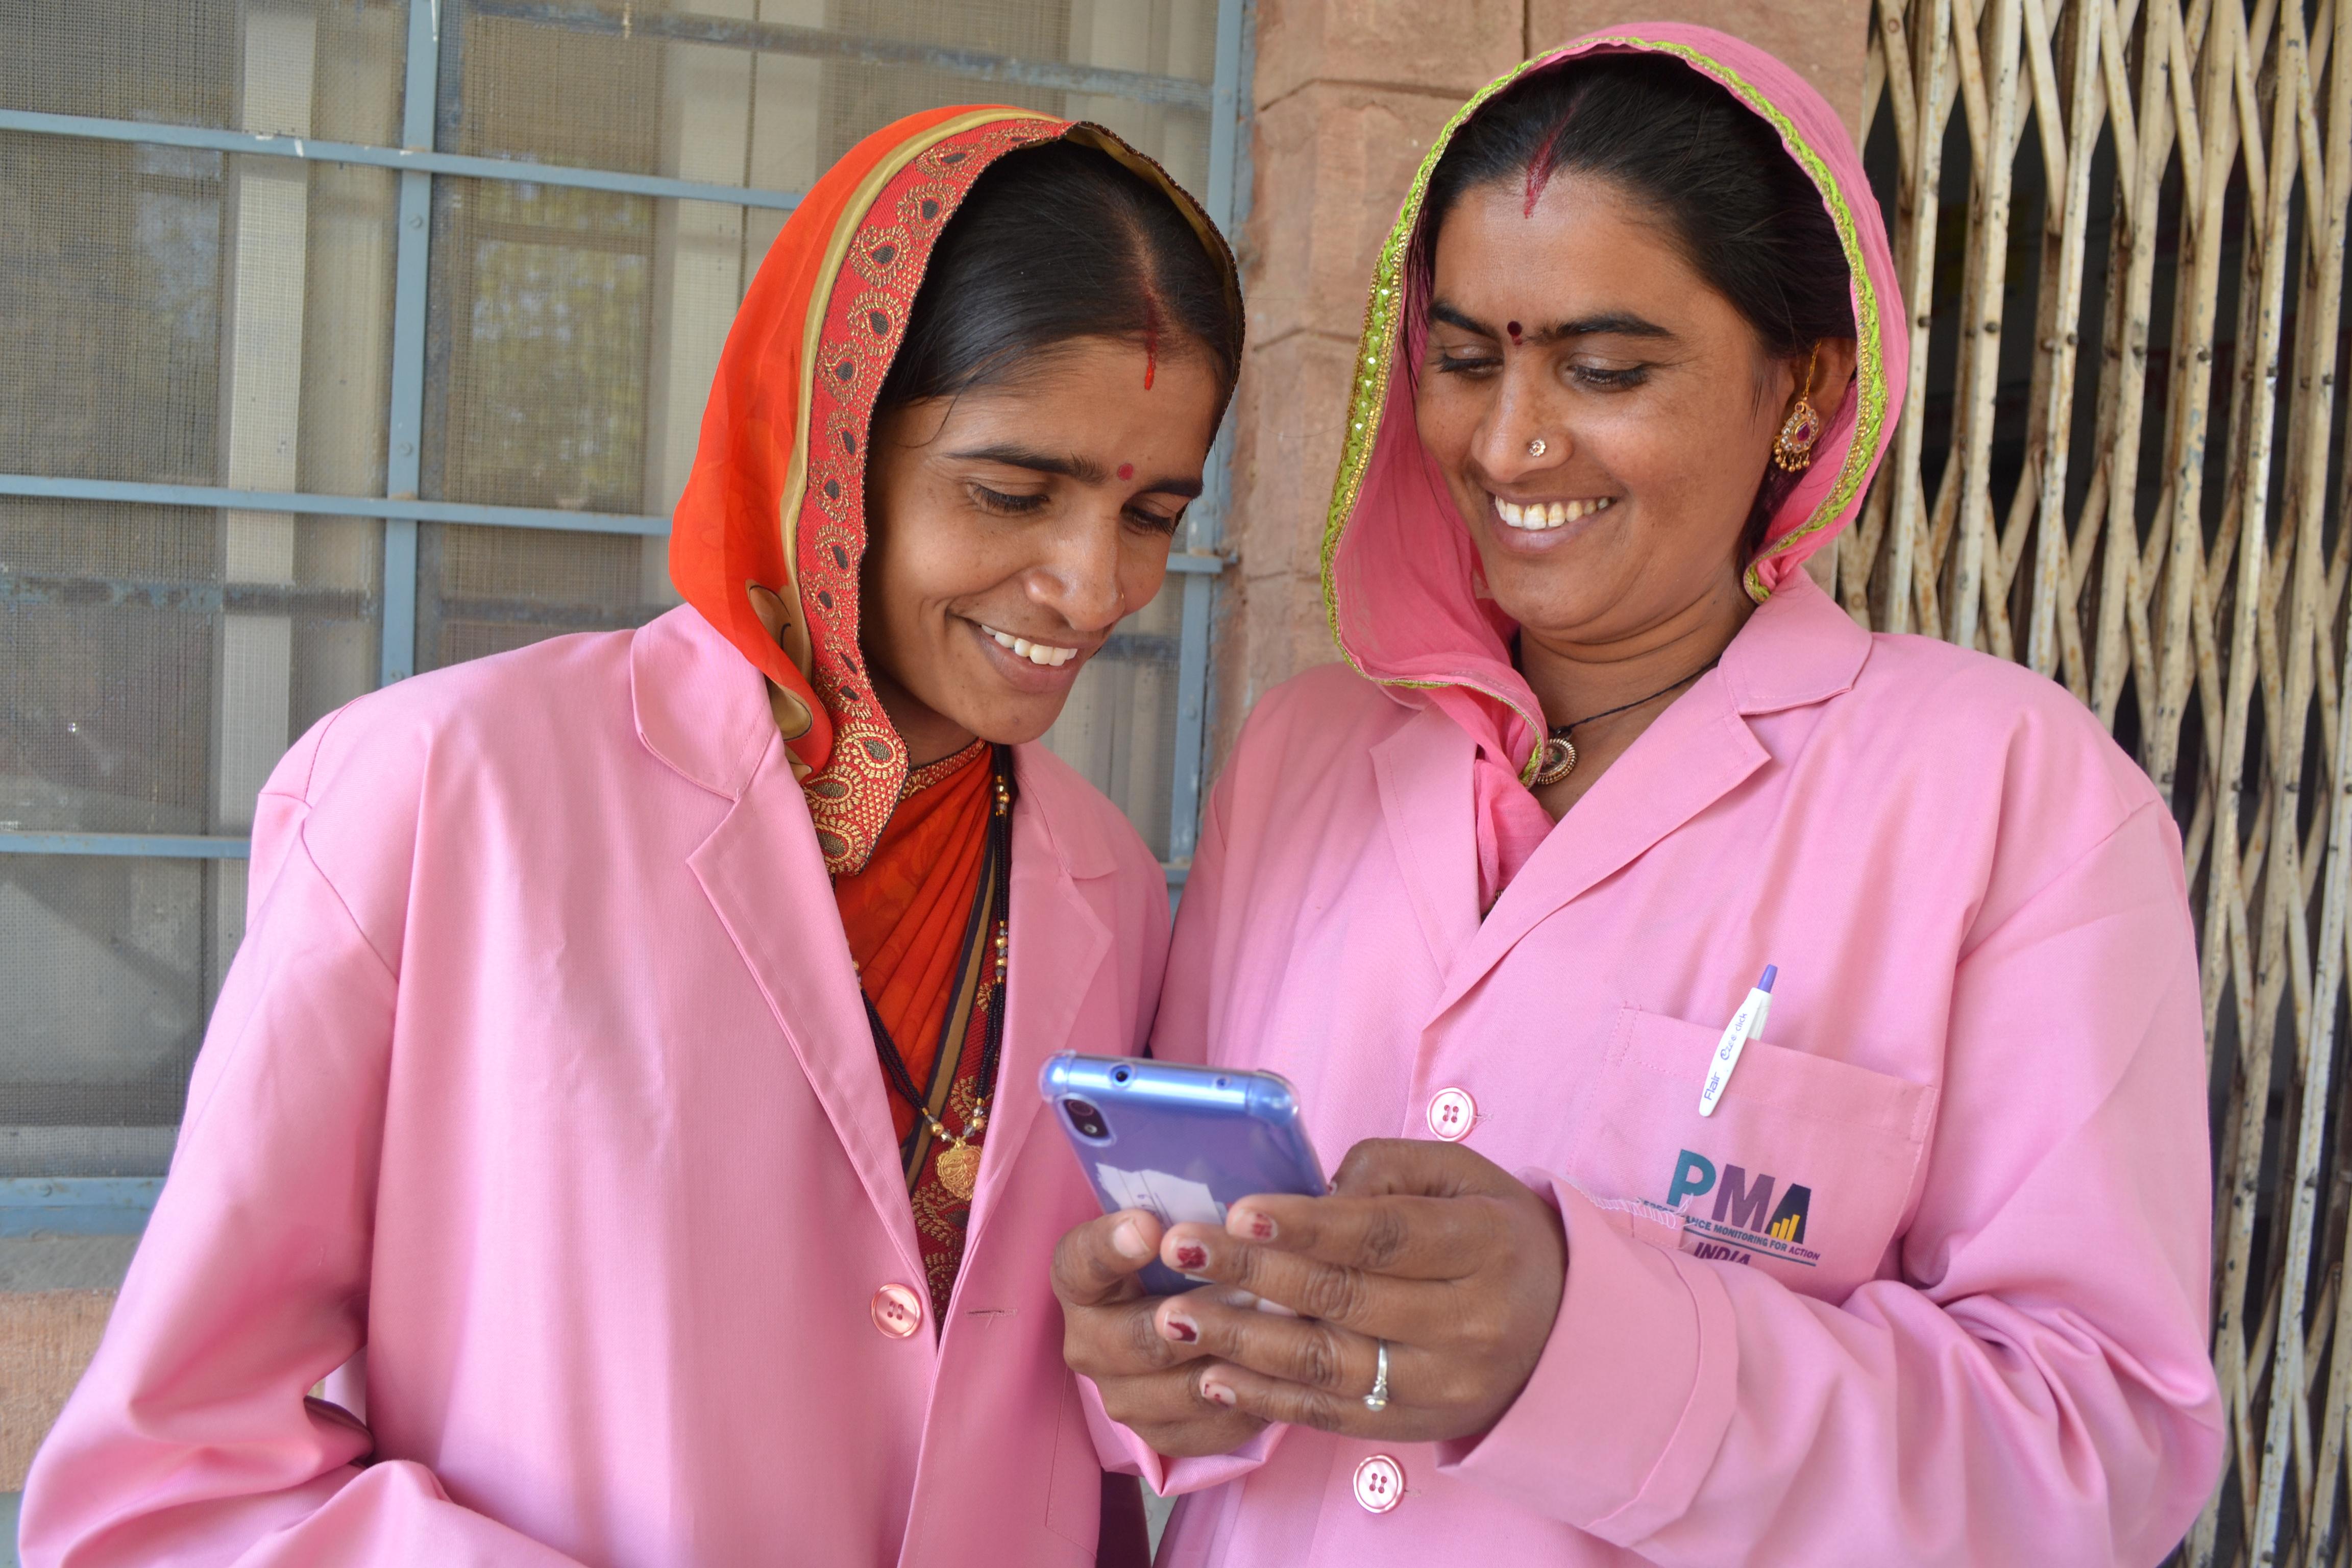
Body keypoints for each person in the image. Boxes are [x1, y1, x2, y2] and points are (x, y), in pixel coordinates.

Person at [1054, 27, 2223, 1566]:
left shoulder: (2009, 796)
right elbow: (1188, 1297)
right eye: (1466, 359)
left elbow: (2107, 1449)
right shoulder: (1311, 756)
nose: (1510, 440)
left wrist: (1587, 1342)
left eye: (1607, 369)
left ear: (1799, 388)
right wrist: (1148, 1368)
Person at [22, 107, 1241, 1567]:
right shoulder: (444, 791)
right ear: (830, 443)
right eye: (1010, 492)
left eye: (1155, 515)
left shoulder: (1103, 876)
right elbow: (169, 1483)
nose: (1091, 585)